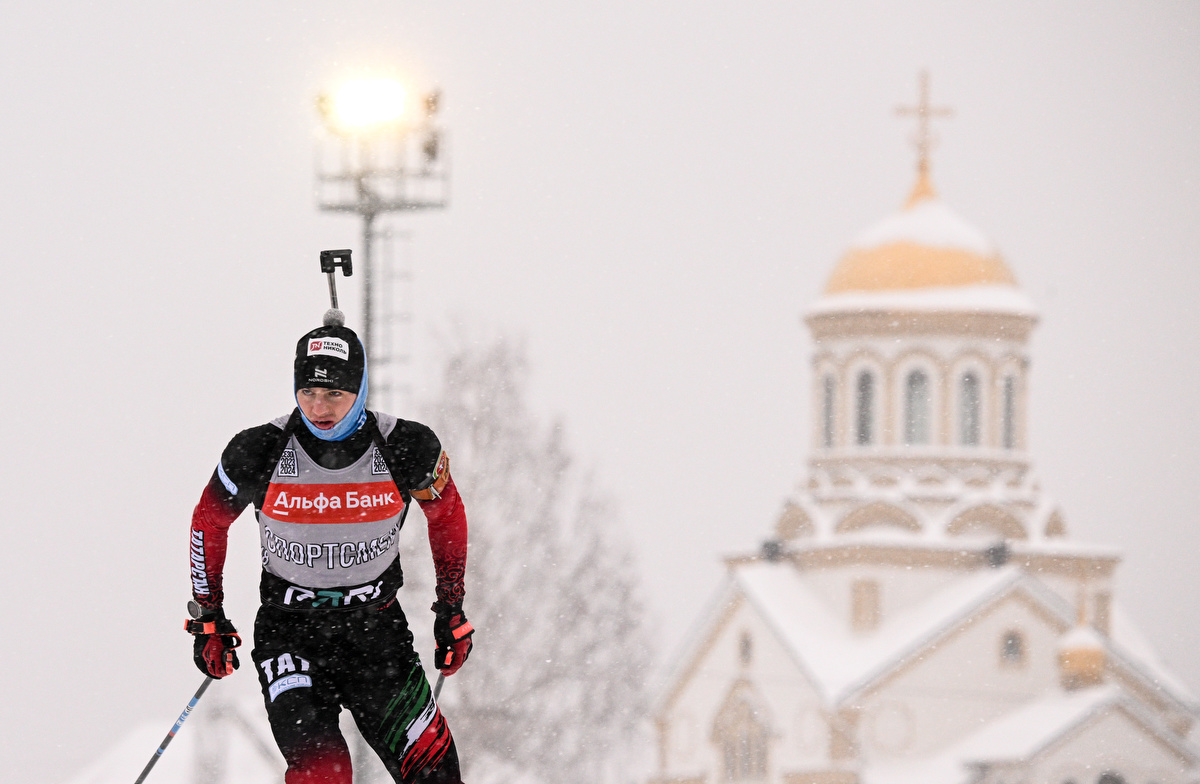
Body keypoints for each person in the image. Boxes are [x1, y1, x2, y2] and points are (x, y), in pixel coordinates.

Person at [184, 312, 473, 784]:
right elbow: (208, 523)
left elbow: (448, 516)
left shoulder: (405, 445)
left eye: (334, 394)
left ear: (359, 390)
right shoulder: (260, 449)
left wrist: (451, 608)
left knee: (435, 776)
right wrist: (207, 618)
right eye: (308, 392)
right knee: (324, 774)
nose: (319, 407)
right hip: (292, 636)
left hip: (377, 638)